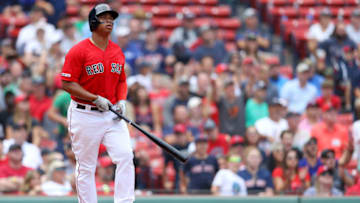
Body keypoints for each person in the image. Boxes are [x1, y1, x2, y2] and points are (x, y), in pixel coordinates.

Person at [60, 3, 134, 203]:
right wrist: (93, 97)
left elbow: (121, 80)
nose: (109, 21)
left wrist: (121, 99)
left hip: (111, 113)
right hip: (84, 114)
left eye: (111, 18)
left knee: (125, 155)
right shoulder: (79, 51)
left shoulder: (117, 50)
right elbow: (66, 83)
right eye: (104, 18)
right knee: (86, 166)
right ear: (93, 21)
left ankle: (125, 201)